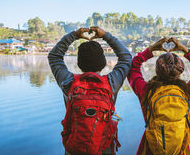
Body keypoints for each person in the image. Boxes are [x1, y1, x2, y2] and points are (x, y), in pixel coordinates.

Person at [48, 26, 132, 155]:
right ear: (103, 63)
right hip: (104, 148)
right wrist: (105, 35)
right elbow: (126, 57)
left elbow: (54, 56)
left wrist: (74, 35)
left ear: (79, 63)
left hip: (74, 147)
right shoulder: (111, 82)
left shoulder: (68, 82)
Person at [127, 37, 190, 155]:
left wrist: (151, 49)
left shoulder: (147, 92)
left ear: (157, 70)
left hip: (152, 149)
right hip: (181, 149)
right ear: (180, 70)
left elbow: (133, 68)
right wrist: (185, 49)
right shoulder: (188, 92)